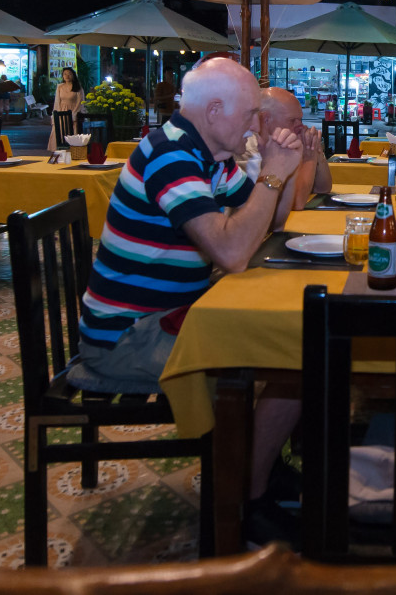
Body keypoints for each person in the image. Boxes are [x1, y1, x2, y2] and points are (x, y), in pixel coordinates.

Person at [77, 57, 305, 545]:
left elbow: (270, 222)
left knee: (292, 351)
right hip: (125, 336)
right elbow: (232, 252)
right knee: (291, 360)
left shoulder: (210, 157)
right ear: (215, 110)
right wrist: (271, 176)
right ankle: (247, 500)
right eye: (250, 114)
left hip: (165, 317)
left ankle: (259, 469)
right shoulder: (171, 155)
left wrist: (281, 169)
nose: (254, 125)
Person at [237, 87, 332, 209]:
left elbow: (323, 188)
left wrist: (315, 147)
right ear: (266, 119)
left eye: (300, 119)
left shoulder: (287, 143)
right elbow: (296, 202)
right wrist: (310, 157)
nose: (300, 126)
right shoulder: (250, 149)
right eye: (292, 120)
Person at [46, 66, 85, 151]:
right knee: (59, 130)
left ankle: (73, 150)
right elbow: (57, 101)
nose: (67, 76)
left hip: (73, 112)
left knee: (72, 131)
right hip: (61, 111)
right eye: (65, 74)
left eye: (69, 74)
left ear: (73, 75)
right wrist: (55, 114)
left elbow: (80, 102)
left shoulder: (78, 88)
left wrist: (74, 114)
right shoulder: (60, 87)